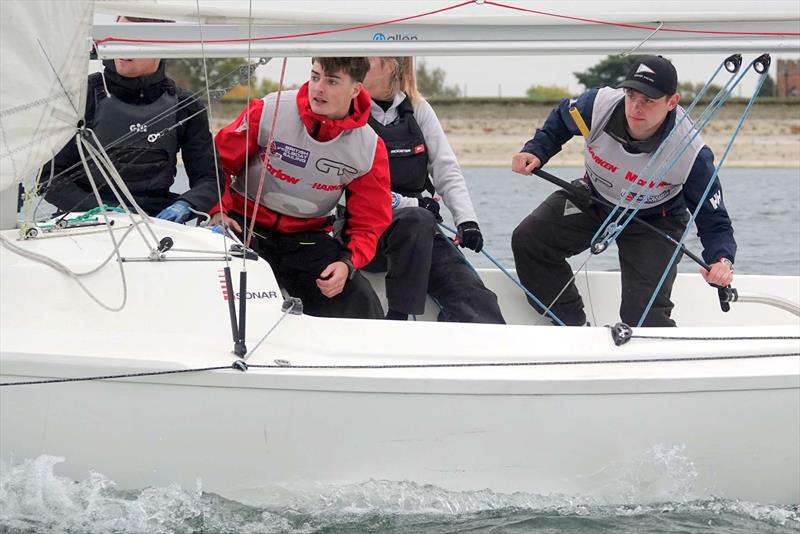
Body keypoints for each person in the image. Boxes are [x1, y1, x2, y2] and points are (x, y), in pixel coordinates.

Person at [511, 55, 735, 327]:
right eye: (631, 95)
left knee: (643, 316)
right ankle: (573, 326)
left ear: (672, 102)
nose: (636, 107)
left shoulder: (692, 153)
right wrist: (536, 150)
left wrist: (721, 261)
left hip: (655, 220)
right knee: (529, 240)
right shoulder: (598, 105)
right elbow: (560, 120)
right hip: (594, 198)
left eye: (648, 100)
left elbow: (715, 222)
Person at [211, 57, 391, 319]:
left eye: (332, 81)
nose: (318, 88)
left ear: (356, 89)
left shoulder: (368, 148)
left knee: (359, 299)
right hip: (244, 227)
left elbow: (370, 221)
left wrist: (347, 263)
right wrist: (217, 210)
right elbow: (216, 163)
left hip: (307, 240)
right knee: (220, 290)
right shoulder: (270, 110)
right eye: (315, 77)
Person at [360, 56, 505, 323]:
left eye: (363, 60)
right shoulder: (347, 109)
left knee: (474, 299)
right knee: (417, 217)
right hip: (363, 233)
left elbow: (446, 170)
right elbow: (350, 190)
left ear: (390, 66)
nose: (353, 65)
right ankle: (397, 321)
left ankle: (478, 340)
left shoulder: (418, 109)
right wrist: (412, 205)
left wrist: (467, 221)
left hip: (418, 232)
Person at [42, 16, 221, 223]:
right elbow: (49, 179)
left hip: (156, 222)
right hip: (85, 220)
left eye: (133, 38)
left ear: (162, 45)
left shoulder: (186, 106)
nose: (122, 47)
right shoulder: (80, 98)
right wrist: (103, 211)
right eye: (118, 36)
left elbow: (210, 179)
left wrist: (186, 204)